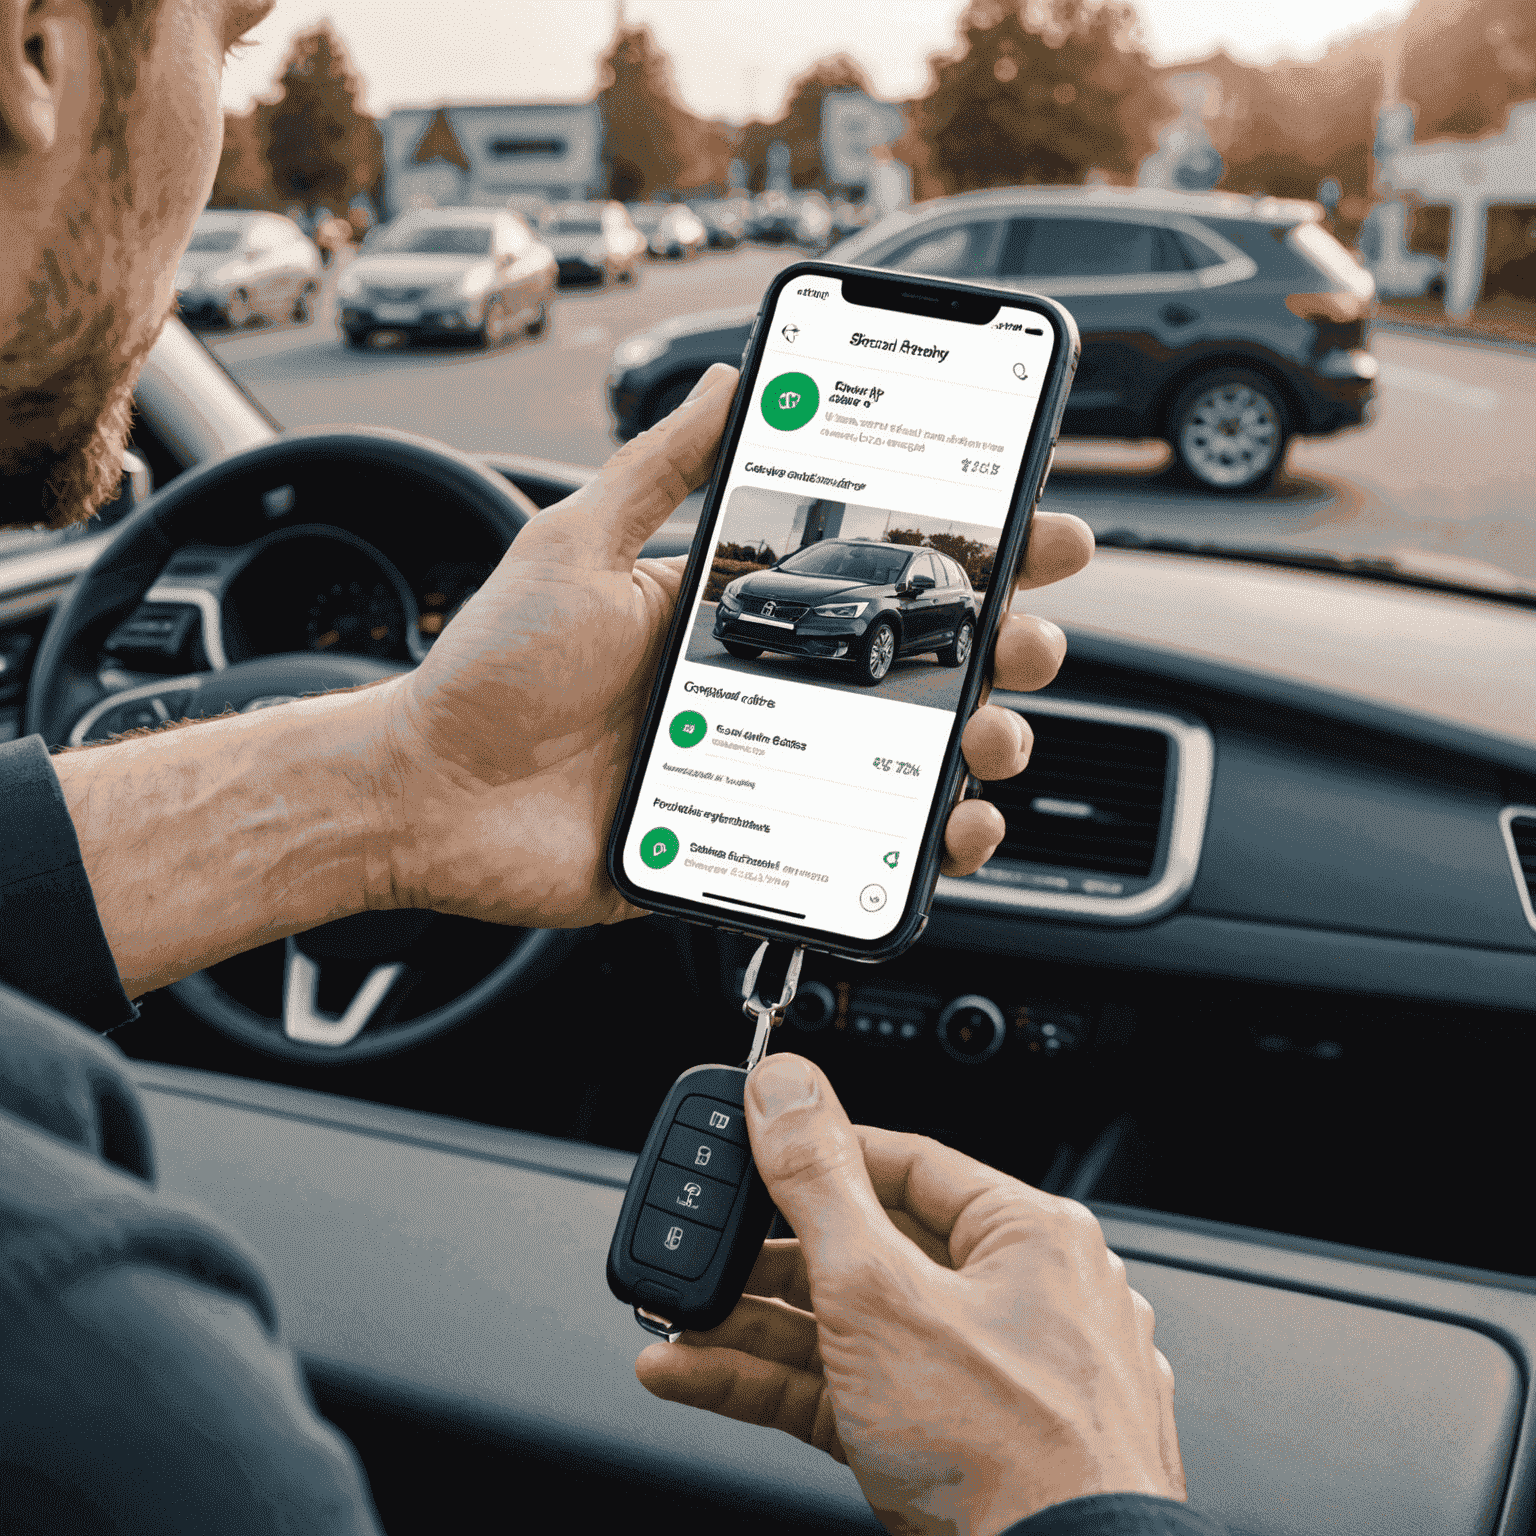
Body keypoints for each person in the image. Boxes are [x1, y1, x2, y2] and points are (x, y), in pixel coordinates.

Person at [0, 1, 1226, 1530]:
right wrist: (1076, 1499)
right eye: (226, 43)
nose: (225, 139)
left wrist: (391, 786)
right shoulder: (105, 1390)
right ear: (35, 57)